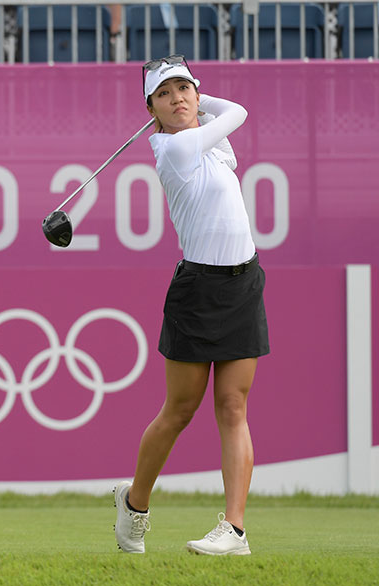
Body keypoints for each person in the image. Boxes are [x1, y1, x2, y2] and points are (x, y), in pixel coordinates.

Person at [113, 55, 269, 556]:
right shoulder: (175, 147)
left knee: (233, 406)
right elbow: (240, 110)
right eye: (165, 93)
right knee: (179, 410)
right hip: (198, 289)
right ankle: (134, 505)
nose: (178, 98)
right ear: (151, 110)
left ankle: (235, 530)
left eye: (185, 88)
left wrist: (195, 101)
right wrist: (198, 108)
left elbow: (225, 113)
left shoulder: (207, 140)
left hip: (243, 282)